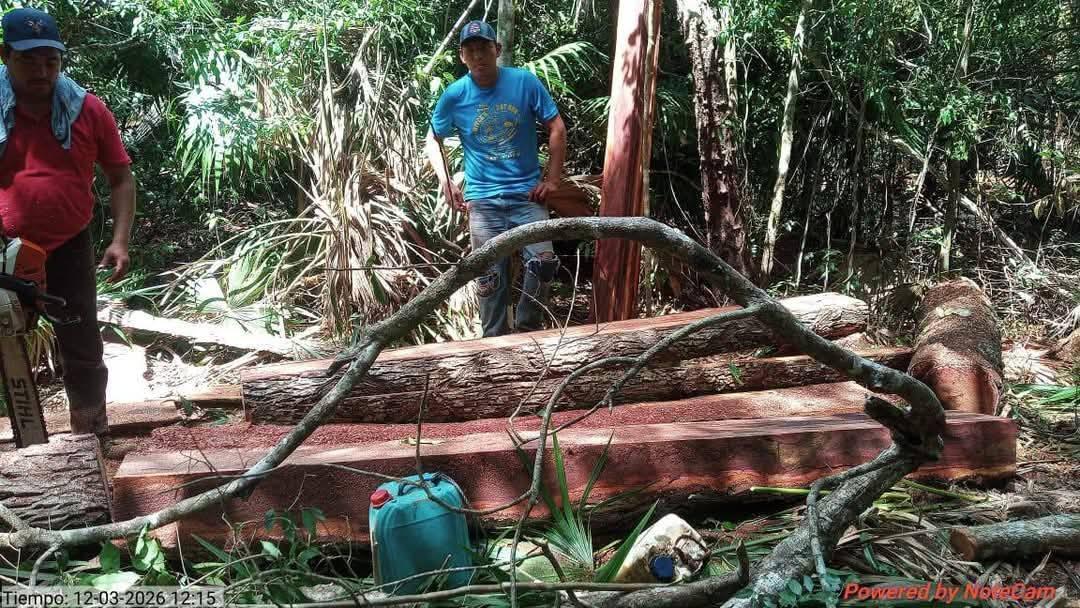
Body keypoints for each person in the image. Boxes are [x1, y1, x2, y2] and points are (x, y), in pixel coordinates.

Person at [0, 7, 135, 437]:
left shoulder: (87, 110)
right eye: (28, 60)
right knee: (5, 346)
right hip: (4, 249)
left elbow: (121, 177)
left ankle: (91, 438)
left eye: (50, 60)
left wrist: (119, 241)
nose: (42, 70)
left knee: (82, 346)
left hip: (69, 245)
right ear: (5, 55)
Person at [425, 20, 567, 338]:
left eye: (484, 49)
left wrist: (553, 180)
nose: (478, 56)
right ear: (463, 57)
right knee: (489, 278)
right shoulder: (455, 95)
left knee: (543, 263)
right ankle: (493, 343)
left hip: (527, 197)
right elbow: (433, 138)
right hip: (484, 202)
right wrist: (446, 181)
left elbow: (556, 127)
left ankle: (530, 332)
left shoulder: (524, 83)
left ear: (496, 50)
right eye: (471, 51)